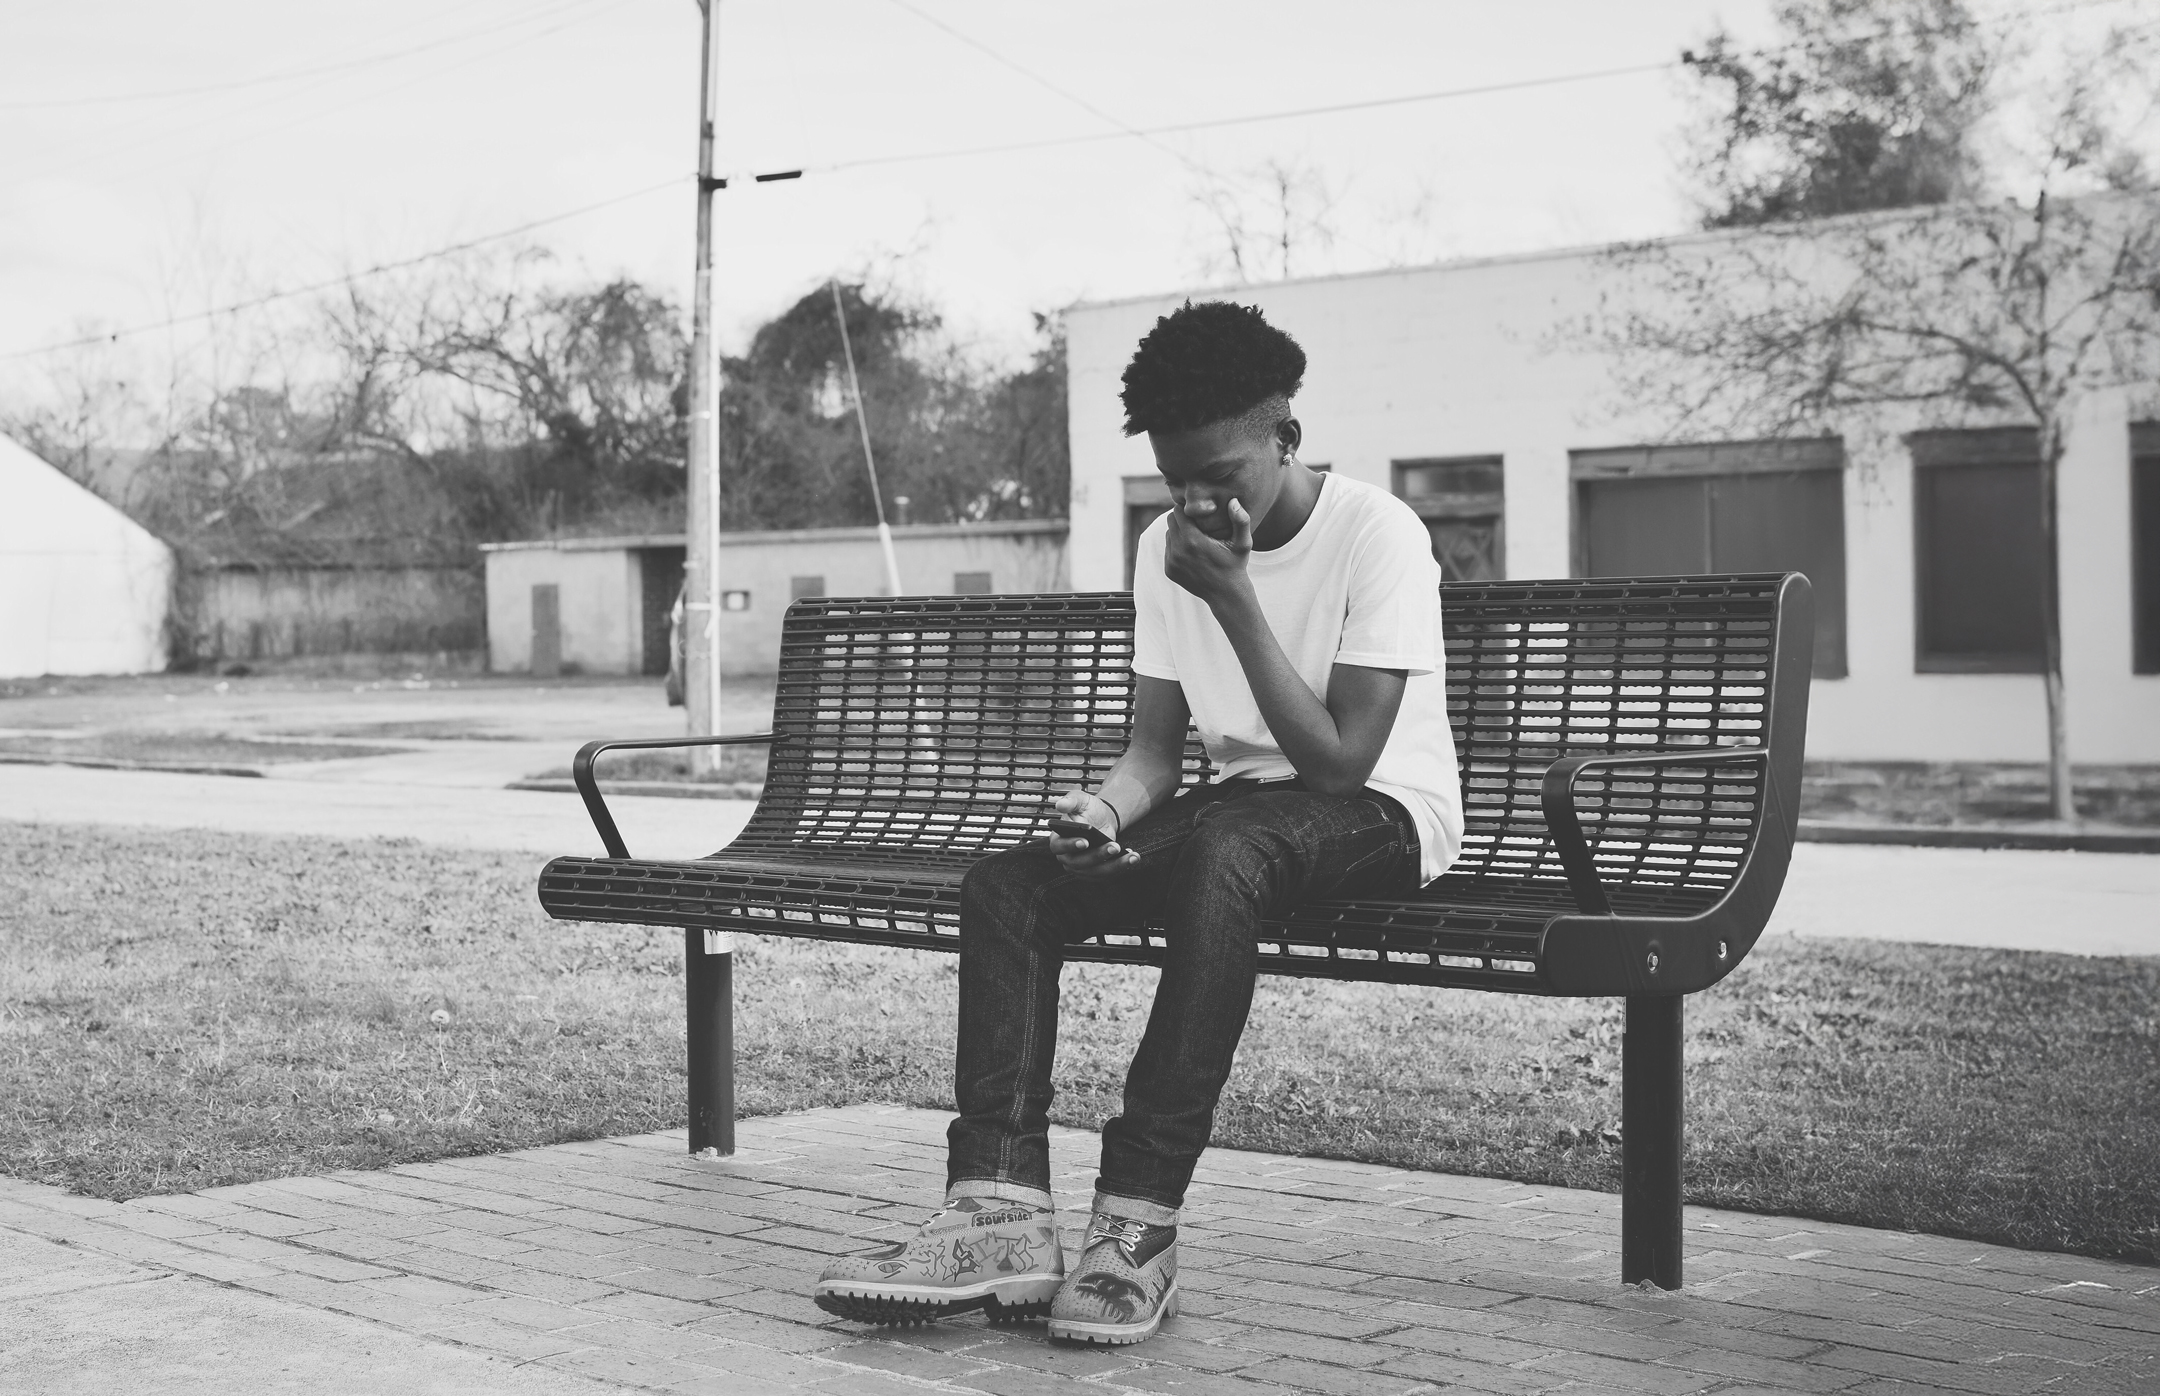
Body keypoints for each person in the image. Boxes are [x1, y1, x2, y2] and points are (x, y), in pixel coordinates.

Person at [812, 300, 1463, 1345]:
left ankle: (1138, 1225)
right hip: (1244, 817)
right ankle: (1000, 1211)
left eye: (1224, 474)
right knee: (1012, 886)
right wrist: (1101, 812)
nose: (1201, 502)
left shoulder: (1376, 533)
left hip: (1383, 812)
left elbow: (1341, 762)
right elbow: (1157, 752)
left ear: (1285, 436)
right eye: (1178, 481)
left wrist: (1239, 599)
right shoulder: (1167, 546)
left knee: (1228, 845)